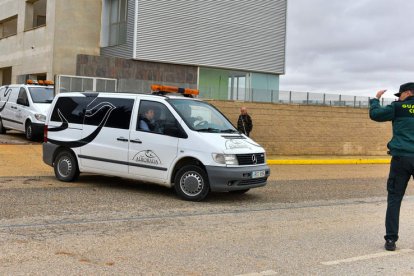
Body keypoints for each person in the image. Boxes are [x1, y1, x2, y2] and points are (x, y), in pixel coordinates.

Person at [369, 82, 414, 251]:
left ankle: (391, 240)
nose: (398, 97)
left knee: (394, 199)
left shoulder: (398, 107)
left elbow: (375, 114)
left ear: (408, 93)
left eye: (400, 94)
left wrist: (375, 99)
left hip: (401, 159)